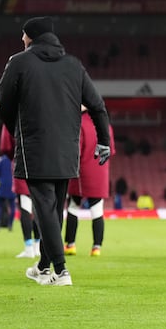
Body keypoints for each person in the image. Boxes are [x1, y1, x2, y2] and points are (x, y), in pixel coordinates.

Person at [0, 16, 111, 287]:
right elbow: (97, 106)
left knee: (45, 209)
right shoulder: (74, 66)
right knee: (55, 209)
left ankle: (60, 271)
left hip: (35, 147)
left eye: (24, 36)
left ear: (32, 37)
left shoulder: (19, 62)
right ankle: (43, 266)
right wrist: (103, 140)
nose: (22, 40)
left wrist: (18, 127)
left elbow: (4, 104)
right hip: (67, 148)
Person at [64, 106, 116, 257]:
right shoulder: (105, 124)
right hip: (100, 172)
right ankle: (96, 247)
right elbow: (111, 150)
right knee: (97, 210)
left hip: (82, 172)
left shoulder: (78, 122)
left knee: (73, 206)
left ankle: (70, 244)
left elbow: (76, 150)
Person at [0, 125, 41, 258]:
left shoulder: (12, 116)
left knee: (26, 208)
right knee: (39, 209)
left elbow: (6, 147)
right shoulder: (41, 112)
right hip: (42, 167)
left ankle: (29, 248)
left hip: (22, 166)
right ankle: (37, 246)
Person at [0, 150, 16, 232]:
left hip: (2, 186)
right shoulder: (15, 160)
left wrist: (0, 178)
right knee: (12, 206)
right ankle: (10, 225)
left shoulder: (2, 159)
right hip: (13, 186)